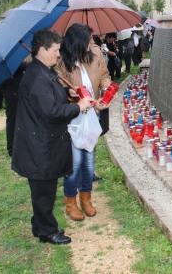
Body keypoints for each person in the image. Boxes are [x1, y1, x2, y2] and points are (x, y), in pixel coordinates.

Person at [12, 28, 94, 245]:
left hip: (44, 142)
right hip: (38, 145)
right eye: (56, 50)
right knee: (43, 191)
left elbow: (52, 98)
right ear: (42, 50)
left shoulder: (44, 71)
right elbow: (51, 111)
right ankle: (48, 230)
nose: (59, 54)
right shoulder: (36, 77)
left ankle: (40, 225)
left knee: (44, 189)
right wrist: (79, 107)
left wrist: (69, 93)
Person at [55, 23, 113, 221]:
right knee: (74, 163)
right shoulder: (61, 63)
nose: (91, 45)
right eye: (86, 42)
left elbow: (104, 76)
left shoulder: (94, 56)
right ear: (75, 43)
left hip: (91, 117)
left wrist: (105, 92)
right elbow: (56, 89)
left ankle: (86, 198)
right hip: (72, 118)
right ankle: (70, 201)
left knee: (88, 162)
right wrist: (69, 92)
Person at [0, 61, 28, 157]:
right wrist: (26, 65)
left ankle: (17, 145)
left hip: (14, 87)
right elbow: (16, 65)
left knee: (17, 117)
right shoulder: (4, 57)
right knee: (12, 118)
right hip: (11, 88)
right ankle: (12, 148)